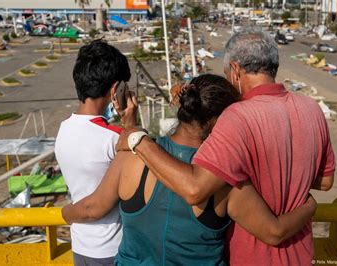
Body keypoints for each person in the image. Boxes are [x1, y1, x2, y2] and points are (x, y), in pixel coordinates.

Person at [116, 28, 336, 265]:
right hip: (301, 254)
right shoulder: (312, 109)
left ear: (235, 70)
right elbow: (325, 181)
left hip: (252, 257)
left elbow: (195, 189)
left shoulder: (236, 117)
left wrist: (137, 137)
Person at [62, 74, 318, 265]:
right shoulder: (225, 181)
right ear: (221, 121)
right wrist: (309, 207)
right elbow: (273, 232)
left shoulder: (133, 156)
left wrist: (64, 213)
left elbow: (91, 207)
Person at [55, 40, 136, 266]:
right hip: (115, 248)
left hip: (81, 245)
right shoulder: (115, 137)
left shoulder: (63, 130)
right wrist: (132, 124)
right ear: (115, 89)